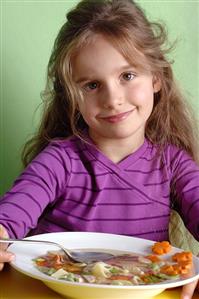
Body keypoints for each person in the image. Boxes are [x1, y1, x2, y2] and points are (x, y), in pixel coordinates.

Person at [0, 0, 198, 297]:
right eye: (92, 85)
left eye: (127, 76)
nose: (113, 99)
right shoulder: (59, 161)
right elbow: (9, 217)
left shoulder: (172, 165)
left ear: (156, 77)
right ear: (72, 97)